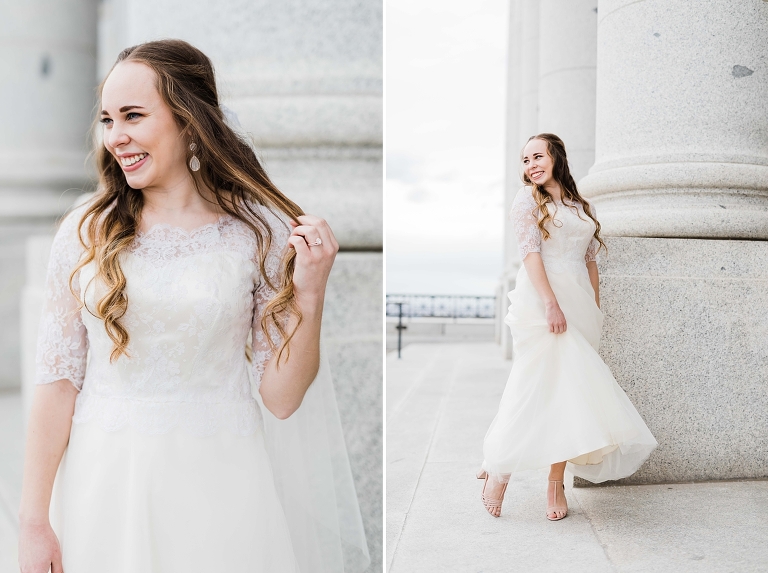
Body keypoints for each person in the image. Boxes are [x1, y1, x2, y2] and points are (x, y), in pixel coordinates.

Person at [18, 39, 369, 572]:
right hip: (107, 480)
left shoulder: (257, 232)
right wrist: (35, 521)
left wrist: (311, 294)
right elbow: (57, 382)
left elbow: (281, 398)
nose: (117, 137)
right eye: (109, 119)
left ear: (188, 119)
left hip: (222, 481)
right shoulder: (85, 231)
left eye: (133, 116)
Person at [478, 133, 657, 521]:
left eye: (537, 156)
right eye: (525, 161)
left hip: (578, 303)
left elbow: (590, 260)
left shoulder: (580, 205)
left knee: (568, 396)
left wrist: (594, 306)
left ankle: (554, 482)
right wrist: (550, 304)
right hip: (545, 300)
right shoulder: (526, 199)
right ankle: (500, 471)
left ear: (556, 156)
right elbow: (530, 254)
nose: (531, 166)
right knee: (535, 386)